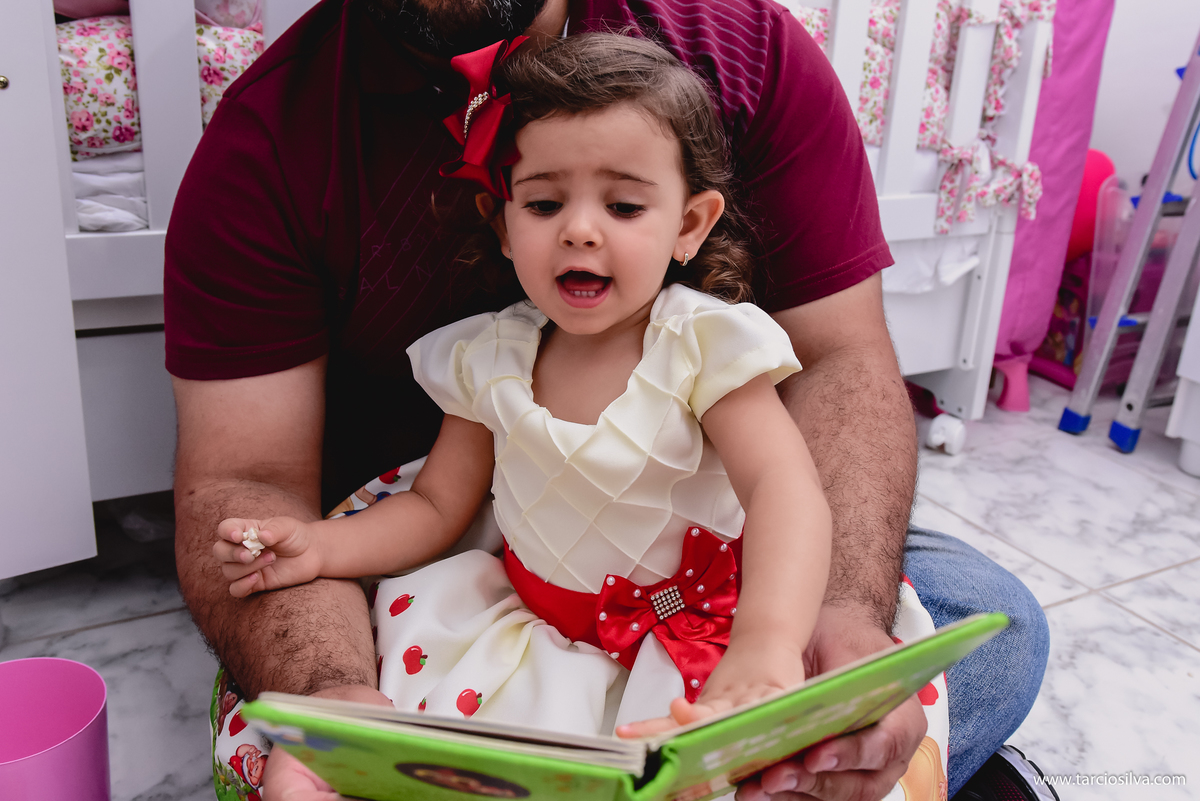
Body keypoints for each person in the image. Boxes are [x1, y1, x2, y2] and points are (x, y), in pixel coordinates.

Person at [165, 1, 1049, 799]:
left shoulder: (705, 343)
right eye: (546, 202)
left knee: (986, 620)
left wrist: (790, 641)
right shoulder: (487, 356)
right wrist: (318, 559)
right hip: (527, 600)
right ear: (502, 220)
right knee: (334, 743)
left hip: (703, 597)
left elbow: (791, 481)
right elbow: (434, 502)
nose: (582, 229)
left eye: (624, 206)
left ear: (692, 224)